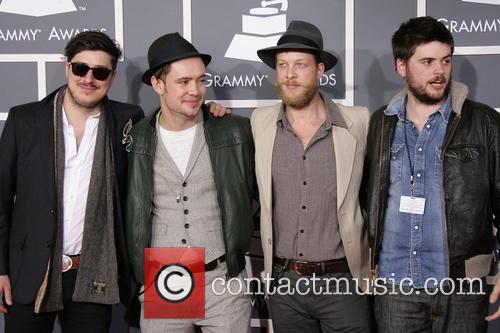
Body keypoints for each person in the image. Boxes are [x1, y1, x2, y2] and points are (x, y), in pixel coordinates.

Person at [0, 31, 145, 332]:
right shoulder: (25, 119)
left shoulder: (128, 120)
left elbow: (171, 125)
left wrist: (208, 115)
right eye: (81, 68)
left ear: (112, 77)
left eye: (100, 72)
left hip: (93, 274)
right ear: (68, 67)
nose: (88, 78)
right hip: (29, 271)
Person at [364, 16, 500, 332]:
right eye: (427, 61)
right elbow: (366, 199)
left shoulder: (483, 122)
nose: (439, 72)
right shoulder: (380, 124)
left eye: (445, 60)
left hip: (462, 287)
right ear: (401, 66)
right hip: (395, 286)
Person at [125, 32, 257, 332]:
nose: (195, 90)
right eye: (183, 82)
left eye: (200, 80)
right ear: (158, 84)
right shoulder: (137, 138)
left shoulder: (233, 131)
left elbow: (257, 195)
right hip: (162, 277)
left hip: (223, 280)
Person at [251, 20, 371, 332]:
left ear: (320, 70)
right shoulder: (259, 122)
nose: (289, 75)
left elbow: (376, 193)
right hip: (285, 285)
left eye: (300, 65)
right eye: (282, 65)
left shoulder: (357, 122)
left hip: (343, 283)